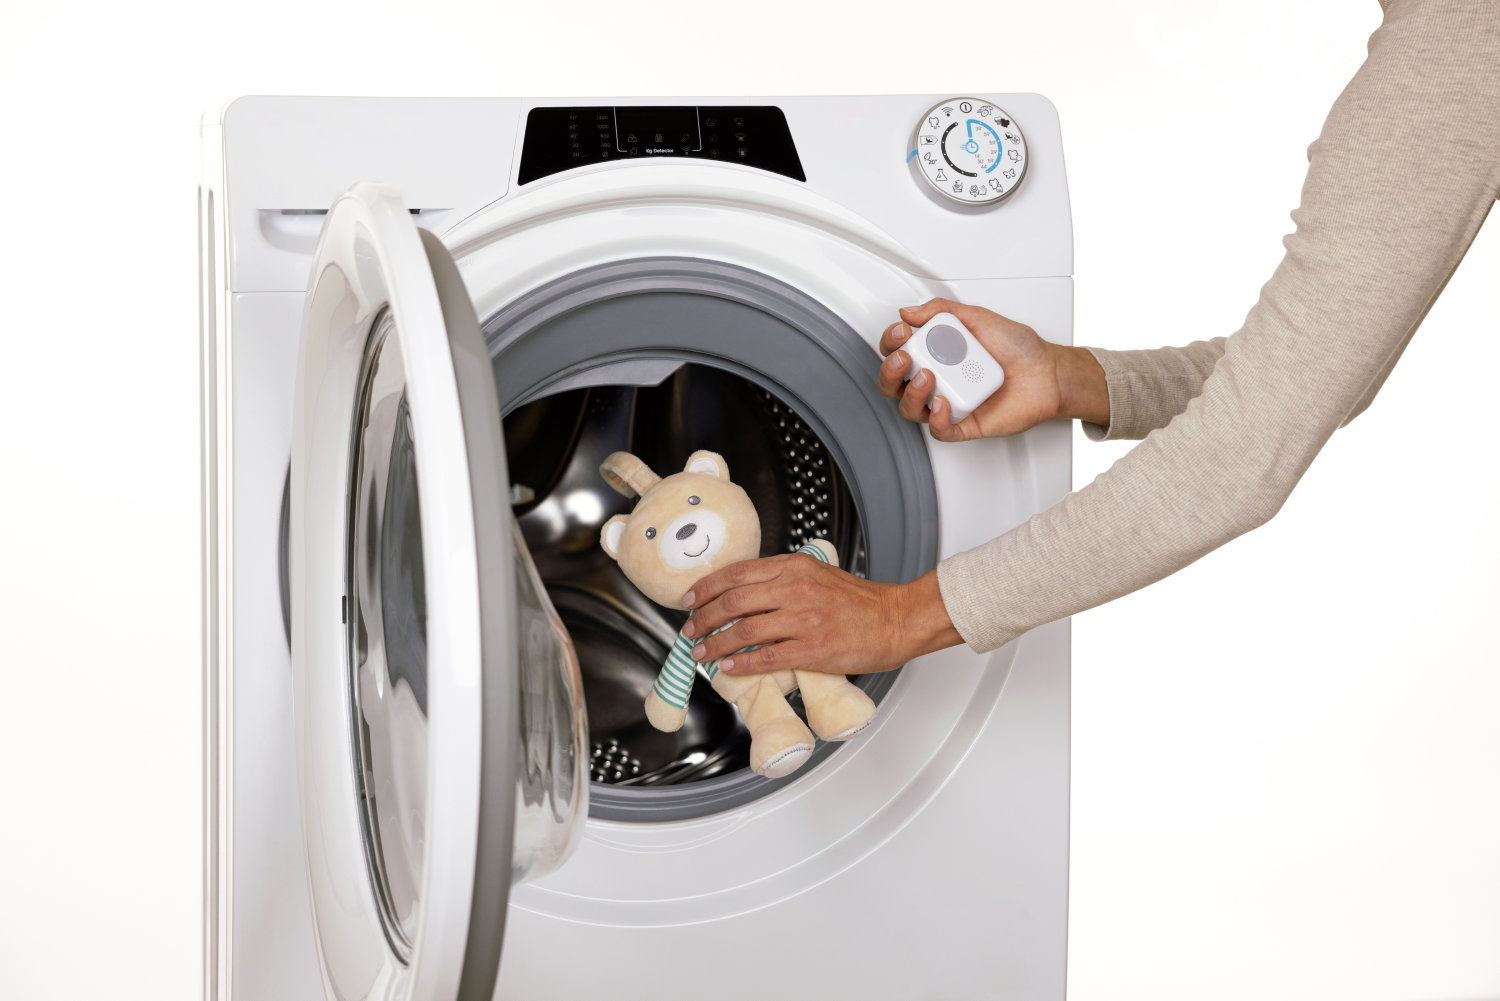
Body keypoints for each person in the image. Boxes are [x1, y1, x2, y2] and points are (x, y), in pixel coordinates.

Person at [677, 0, 1500, 676]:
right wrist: (1074, 379)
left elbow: (1237, 459)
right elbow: (1319, 376)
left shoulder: (1451, 49)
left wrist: (902, 616)